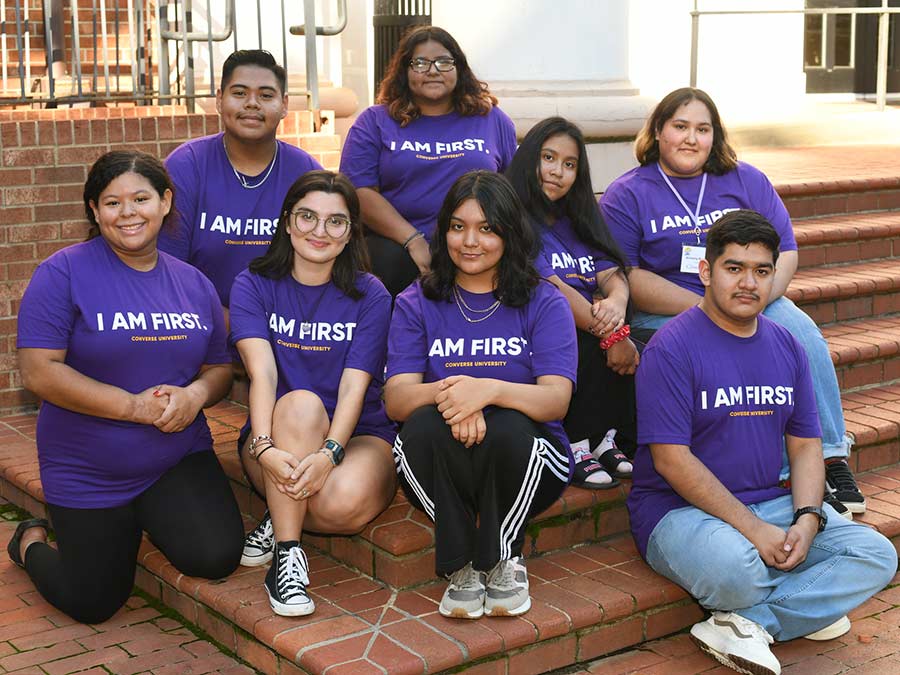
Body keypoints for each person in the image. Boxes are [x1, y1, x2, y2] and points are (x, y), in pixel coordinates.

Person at [628, 211, 897, 675]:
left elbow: (807, 445)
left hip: (771, 501)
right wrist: (754, 532)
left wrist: (808, 518)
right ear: (706, 272)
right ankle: (806, 605)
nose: (748, 283)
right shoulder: (671, 347)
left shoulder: (786, 345)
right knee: (737, 572)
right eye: (734, 268)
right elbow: (672, 462)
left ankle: (748, 624)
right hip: (677, 512)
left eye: (762, 271)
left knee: (877, 554)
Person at [600, 87, 865, 517]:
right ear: (658, 133)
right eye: (680, 127)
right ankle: (779, 472)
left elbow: (788, 253)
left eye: (702, 129)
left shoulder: (747, 180)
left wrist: (753, 299)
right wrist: (712, 310)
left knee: (799, 334)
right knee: (721, 351)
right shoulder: (629, 192)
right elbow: (628, 274)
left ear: (715, 136)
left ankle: (829, 458)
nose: (691, 138)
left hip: (750, 295)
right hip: (671, 310)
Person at [9, 151, 243, 624]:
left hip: (175, 455)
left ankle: (141, 517)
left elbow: (219, 367)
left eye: (141, 198)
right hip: (88, 465)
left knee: (214, 556)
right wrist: (132, 407)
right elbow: (39, 371)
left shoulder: (193, 283)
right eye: (113, 202)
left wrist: (194, 396)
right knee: (93, 601)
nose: (129, 212)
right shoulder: (63, 272)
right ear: (94, 210)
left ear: (165, 201)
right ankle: (29, 542)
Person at [384, 171, 577, 619]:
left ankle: (501, 555)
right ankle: (466, 566)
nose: (470, 241)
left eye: (487, 228)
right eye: (457, 226)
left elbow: (555, 401)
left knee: (508, 426)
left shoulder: (542, 301)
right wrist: (457, 394)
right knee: (421, 426)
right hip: (446, 461)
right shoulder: (417, 301)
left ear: (510, 232)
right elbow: (396, 399)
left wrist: (487, 391)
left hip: (528, 460)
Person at [229, 171, 397, 617]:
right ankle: (287, 554)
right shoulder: (253, 284)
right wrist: (262, 447)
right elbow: (261, 373)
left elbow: (353, 385)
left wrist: (330, 453)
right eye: (307, 217)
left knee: (344, 505)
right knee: (301, 404)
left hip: (357, 434)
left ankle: (280, 512)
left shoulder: (370, 294)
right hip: (276, 433)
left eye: (335, 222)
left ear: (350, 233)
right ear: (287, 222)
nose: (319, 232)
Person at [507, 117, 638, 489]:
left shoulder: (577, 216)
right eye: (548, 158)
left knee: (638, 337)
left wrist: (616, 299)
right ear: (530, 156)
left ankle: (604, 439)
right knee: (575, 337)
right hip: (536, 324)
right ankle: (576, 444)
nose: (558, 172)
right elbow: (550, 289)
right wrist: (613, 336)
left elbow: (611, 269)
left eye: (569, 164)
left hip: (591, 319)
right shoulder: (514, 215)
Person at [340, 26, 517, 297]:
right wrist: (413, 240)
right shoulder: (375, 121)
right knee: (385, 260)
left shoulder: (492, 119)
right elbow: (358, 192)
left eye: (444, 62)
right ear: (404, 71)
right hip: (397, 250)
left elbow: (513, 189)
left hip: (478, 243)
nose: (433, 70)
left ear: (459, 69)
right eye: (420, 63)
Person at [159, 49, 322, 314]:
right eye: (239, 93)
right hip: (200, 324)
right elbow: (168, 269)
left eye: (266, 95)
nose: (252, 103)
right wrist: (242, 329)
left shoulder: (305, 171)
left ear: (284, 105)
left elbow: (324, 264)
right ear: (219, 100)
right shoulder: (187, 166)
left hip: (286, 330)